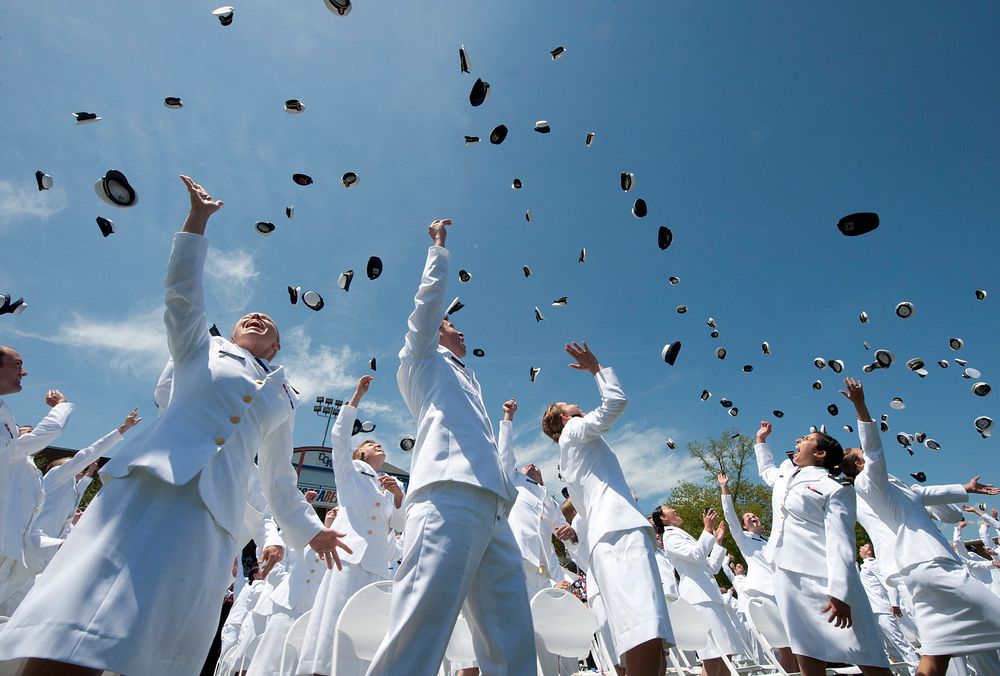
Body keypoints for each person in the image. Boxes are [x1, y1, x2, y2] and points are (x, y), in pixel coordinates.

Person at [0, 176, 350, 676]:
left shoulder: (283, 396)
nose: (258, 317)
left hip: (213, 516)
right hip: (150, 487)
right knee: (80, 613)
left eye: (269, 323)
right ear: (229, 331)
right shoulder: (199, 349)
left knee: (153, 633)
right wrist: (197, 222)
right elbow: (181, 296)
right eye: (250, 315)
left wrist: (310, 530)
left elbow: (278, 478)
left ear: (276, 348)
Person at [365, 219, 535, 675]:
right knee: (420, 629)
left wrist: (508, 492)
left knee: (512, 638)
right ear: (439, 330)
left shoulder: (469, 377)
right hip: (448, 494)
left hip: (493, 507)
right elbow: (425, 309)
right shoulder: (420, 361)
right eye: (453, 326)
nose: (461, 332)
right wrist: (438, 250)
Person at [839, 377, 1000, 676]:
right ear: (859, 467)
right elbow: (874, 453)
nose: (867, 458)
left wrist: (966, 487)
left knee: (938, 654)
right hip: (929, 564)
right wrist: (861, 409)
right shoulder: (867, 486)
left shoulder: (892, 486)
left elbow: (924, 493)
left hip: (917, 572)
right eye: (860, 457)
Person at [541, 341, 672, 674]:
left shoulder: (572, 453)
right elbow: (616, 402)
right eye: (566, 404)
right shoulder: (573, 431)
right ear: (562, 418)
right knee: (643, 625)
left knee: (641, 626)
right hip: (618, 531)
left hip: (612, 533)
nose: (574, 402)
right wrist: (597, 368)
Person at [754, 419, 891, 676]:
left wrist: (840, 593)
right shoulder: (785, 476)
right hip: (788, 576)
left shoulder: (835, 488)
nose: (798, 441)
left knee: (867, 655)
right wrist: (761, 441)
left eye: (805, 440)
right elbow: (767, 472)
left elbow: (842, 542)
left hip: (826, 579)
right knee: (806, 652)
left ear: (820, 454)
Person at [297, 375, 405, 676]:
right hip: (347, 559)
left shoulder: (387, 489)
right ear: (361, 454)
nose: (378, 445)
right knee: (332, 626)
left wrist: (398, 495)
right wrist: (356, 398)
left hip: (376, 566)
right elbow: (340, 439)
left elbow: (399, 523)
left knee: (365, 633)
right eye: (372, 444)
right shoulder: (350, 474)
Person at [497, 397, 573, 676]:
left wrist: (570, 533)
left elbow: (563, 531)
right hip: (518, 564)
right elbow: (505, 458)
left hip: (548, 572)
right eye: (524, 466)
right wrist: (507, 419)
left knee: (552, 635)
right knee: (518, 633)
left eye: (534, 466)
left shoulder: (548, 498)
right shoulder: (514, 480)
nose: (529, 465)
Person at [0, 373, 75, 615]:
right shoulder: (11, 452)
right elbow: (46, 433)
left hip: (16, 544)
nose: (22, 372)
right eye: (17, 365)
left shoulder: (25, 466)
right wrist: (61, 407)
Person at [654, 505, 743, 675]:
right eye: (669, 509)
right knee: (711, 656)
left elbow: (712, 567)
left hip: (711, 596)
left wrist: (718, 542)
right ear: (663, 518)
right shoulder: (670, 537)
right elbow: (696, 554)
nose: (675, 510)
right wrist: (707, 528)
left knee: (726, 653)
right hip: (699, 598)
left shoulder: (683, 534)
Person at [857, 543, 919, 674]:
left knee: (899, 643)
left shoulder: (873, 564)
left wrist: (894, 604)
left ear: (869, 551)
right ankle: (904, 672)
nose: (860, 548)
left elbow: (889, 584)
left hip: (883, 609)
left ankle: (916, 671)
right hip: (873, 610)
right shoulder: (865, 565)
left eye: (863, 547)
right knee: (889, 647)